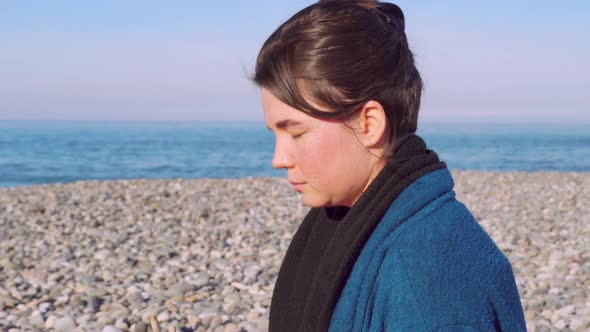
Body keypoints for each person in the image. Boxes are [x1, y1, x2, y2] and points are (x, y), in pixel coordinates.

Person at [254, 1, 526, 331]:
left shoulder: (431, 275)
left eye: (296, 132)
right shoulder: (350, 220)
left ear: (369, 124)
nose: (278, 159)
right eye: (275, 134)